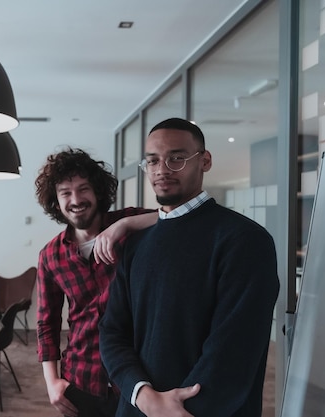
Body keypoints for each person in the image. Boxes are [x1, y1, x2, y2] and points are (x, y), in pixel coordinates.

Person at [99, 118, 280, 417]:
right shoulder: (136, 244)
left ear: (205, 161)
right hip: (137, 408)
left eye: (177, 158)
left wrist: (171, 411)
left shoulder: (245, 240)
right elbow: (112, 331)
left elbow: (234, 352)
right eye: (153, 160)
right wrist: (143, 396)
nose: (162, 169)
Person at [35, 147, 158, 417]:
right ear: (56, 202)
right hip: (82, 378)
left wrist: (124, 226)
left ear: (98, 192)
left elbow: (176, 216)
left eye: (83, 189)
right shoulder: (50, 255)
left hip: (137, 378)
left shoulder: (130, 227)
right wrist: (52, 383)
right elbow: (47, 324)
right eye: (65, 192)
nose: (76, 199)